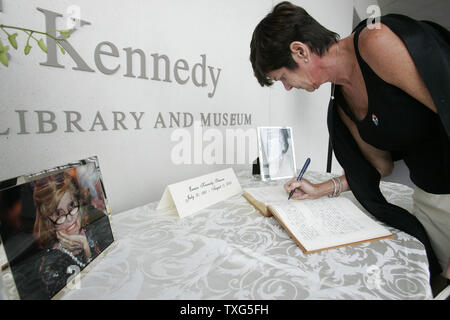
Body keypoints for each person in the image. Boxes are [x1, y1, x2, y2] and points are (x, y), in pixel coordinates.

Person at [250, 1, 449, 295]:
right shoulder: (341, 101)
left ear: (300, 51)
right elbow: (379, 168)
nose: (288, 88)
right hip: (429, 202)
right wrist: (322, 189)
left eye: (282, 78)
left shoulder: (376, 40)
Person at [32, 171, 113, 298]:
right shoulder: (51, 266)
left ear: (78, 201)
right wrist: (87, 252)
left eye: (71, 205)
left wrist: (87, 247)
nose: (69, 218)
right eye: (58, 213)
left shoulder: (94, 228)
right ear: (48, 221)